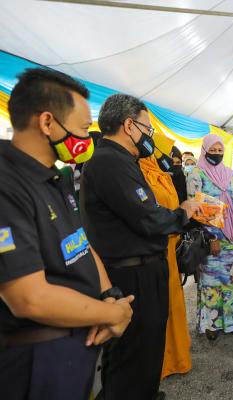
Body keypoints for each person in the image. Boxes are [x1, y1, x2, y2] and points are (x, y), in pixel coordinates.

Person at [0, 68, 133, 400]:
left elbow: (80, 245)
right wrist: (114, 314)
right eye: (84, 129)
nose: (88, 139)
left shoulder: (56, 178)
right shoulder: (7, 186)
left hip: (77, 345)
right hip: (38, 359)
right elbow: (28, 298)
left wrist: (109, 294)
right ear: (48, 122)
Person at [80, 94, 201, 400]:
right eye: (148, 129)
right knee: (133, 354)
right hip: (132, 275)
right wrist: (184, 212)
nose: (149, 136)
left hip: (143, 268)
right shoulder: (109, 162)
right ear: (129, 125)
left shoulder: (122, 160)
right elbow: (147, 216)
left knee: (147, 349)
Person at [138, 136, 192, 379]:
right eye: (165, 153)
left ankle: (178, 357)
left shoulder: (162, 175)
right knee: (160, 307)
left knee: (173, 305)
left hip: (170, 248)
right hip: (155, 248)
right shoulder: (140, 175)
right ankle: (163, 363)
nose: (168, 159)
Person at [187, 134, 233, 340]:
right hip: (211, 239)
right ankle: (211, 323)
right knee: (211, 282)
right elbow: (195, 210)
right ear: (204, 151)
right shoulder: (196, 175)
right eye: (212, 151)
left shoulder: (230, 174)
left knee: (231, 281)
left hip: (231, 238)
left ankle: (232, 322)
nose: (216, 154)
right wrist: (211, 237)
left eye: (220, 151)